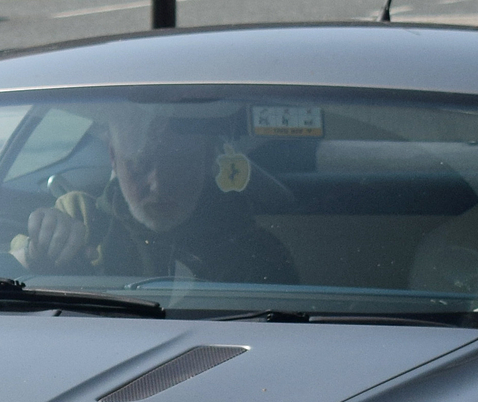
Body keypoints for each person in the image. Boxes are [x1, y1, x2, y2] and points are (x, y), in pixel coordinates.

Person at [20, 107, 298, 286]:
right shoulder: (79, 221)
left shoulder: (257, 255)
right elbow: (4, 271)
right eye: (139, 165)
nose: (159, 185)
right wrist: (38, 249)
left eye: (179, 164)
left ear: (208, 157)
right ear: (113, 157)